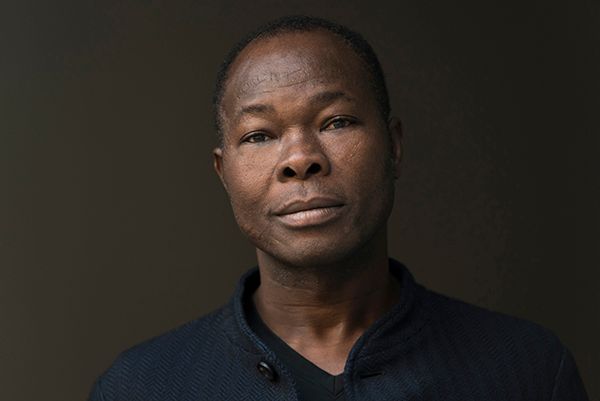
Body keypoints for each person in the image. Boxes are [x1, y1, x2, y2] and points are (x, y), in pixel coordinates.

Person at [89, 15, 588, 401]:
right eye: (259, 135)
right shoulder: (139, 387)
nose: (300, 159)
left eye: (336, 122)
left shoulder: (527, 370)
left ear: (394, 146)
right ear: (224, 173)